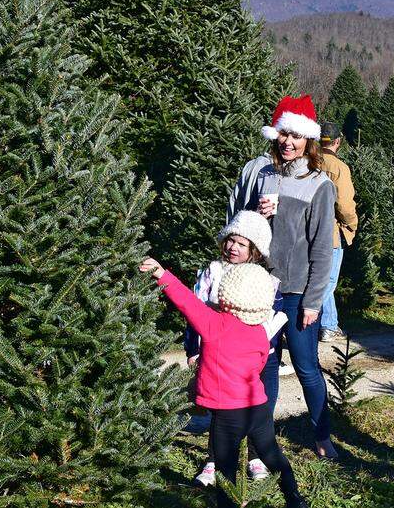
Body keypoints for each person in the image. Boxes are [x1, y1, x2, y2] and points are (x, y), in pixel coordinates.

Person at [139, 259, 308, 508]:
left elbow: (186, 301)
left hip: (228, 414)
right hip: (257, 407)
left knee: (225, 469)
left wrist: (161, 273)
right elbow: (260, 364)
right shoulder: (260, 331)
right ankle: (295, 499)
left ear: (226, 293)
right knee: (272, 454)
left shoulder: (213, 324)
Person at [231, 94, 339, 459]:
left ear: (308, 139)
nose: (288, 142)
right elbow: (249, 230)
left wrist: (313, 302)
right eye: (283, 135)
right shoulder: (265, 175)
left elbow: (322, 247)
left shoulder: (320, 184)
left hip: (297, 292)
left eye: (295, 136)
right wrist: (259, 215)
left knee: (306, 366)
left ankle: (322, 435)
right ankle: (263, 442)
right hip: (263, 289)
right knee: (266, 365)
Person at [183, 211, 285, 486]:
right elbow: (194, 312)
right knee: (220, 412)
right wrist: (193, 350)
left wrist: (266, 350)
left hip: (253, 360)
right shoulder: (212, 274)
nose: (232, 248)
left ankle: (254, 457)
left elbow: (272, 320)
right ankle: (213, 460)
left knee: (255, 408)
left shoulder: (265, 280)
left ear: (255, 250)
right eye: (230, 241)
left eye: (241, 244)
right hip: (217, 356)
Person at [317, 122, 358, 342]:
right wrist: (351, 225)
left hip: (306, 231)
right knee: (328, 281)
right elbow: (344, 204)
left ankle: (329, 322)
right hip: (331, 231)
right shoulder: (339, 167)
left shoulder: (307, 161)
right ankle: (326, 325)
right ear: (338, 142)